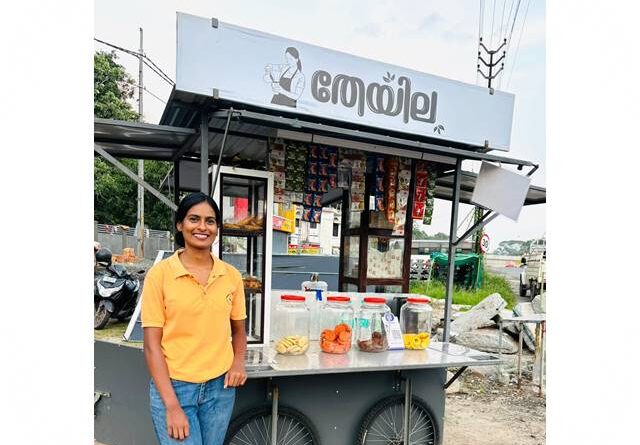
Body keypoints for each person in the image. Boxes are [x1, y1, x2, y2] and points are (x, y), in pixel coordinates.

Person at [142, 192, 247, 444]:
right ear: (180, 224)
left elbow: (239, 330)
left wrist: (238, 363)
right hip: (175, 388)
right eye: (194, 219)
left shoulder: (231, 276)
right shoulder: (160, 275)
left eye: (210, 221)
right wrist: (171, 406)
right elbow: (151, 345)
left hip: (220, 389)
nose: (202, 227)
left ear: (217, 228)